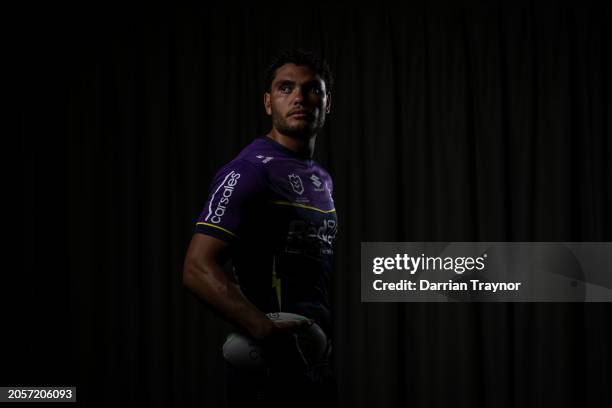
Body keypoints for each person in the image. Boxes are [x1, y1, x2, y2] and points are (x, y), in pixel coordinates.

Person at [182, 49, 338, 407]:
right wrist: (267, 334)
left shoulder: (321, 178)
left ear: (328, 104)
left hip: (314, 360)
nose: (299, 97)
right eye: (286, 89)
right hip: (269, 371)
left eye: (312, 89)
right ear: (268, 103)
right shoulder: (249, 170)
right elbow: (196, 268)